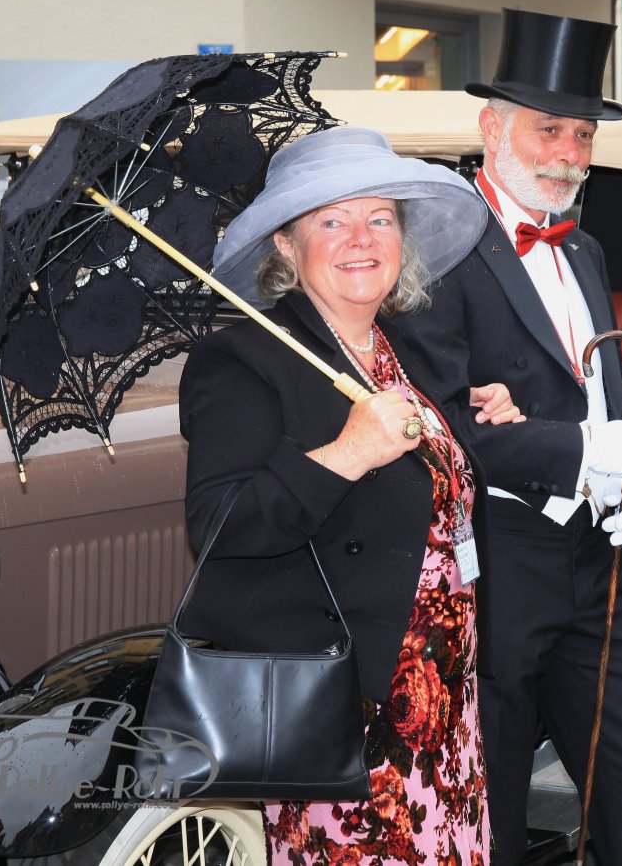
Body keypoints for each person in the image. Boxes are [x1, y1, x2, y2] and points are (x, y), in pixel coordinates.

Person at [386, 8, 622, 866]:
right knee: (494, 809)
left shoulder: (585, 250)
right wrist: (582, 453)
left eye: (582, 134)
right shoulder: (435, 251)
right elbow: (446, 425)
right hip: (496, 562)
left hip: (599, 562)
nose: (567, 151)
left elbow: (597, 395)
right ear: (493, 129)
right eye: (548, 129)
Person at [179, 126, 525, 865]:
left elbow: (420, 492)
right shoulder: (240, 359)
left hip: (445, 708)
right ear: (285, 244)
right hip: (352, 717)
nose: (361, 238)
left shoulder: (396, 350)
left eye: (380, 218)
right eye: (331, 221)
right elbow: (218, 526)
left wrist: (462, 422)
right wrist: (346, 454)